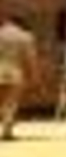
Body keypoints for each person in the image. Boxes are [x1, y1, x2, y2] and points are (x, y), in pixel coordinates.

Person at [0, 11, 40, 142]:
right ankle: (6, 131)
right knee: (10, 103)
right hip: (15, 72)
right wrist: (35, 77)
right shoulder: (26, 37)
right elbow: (31, 59)